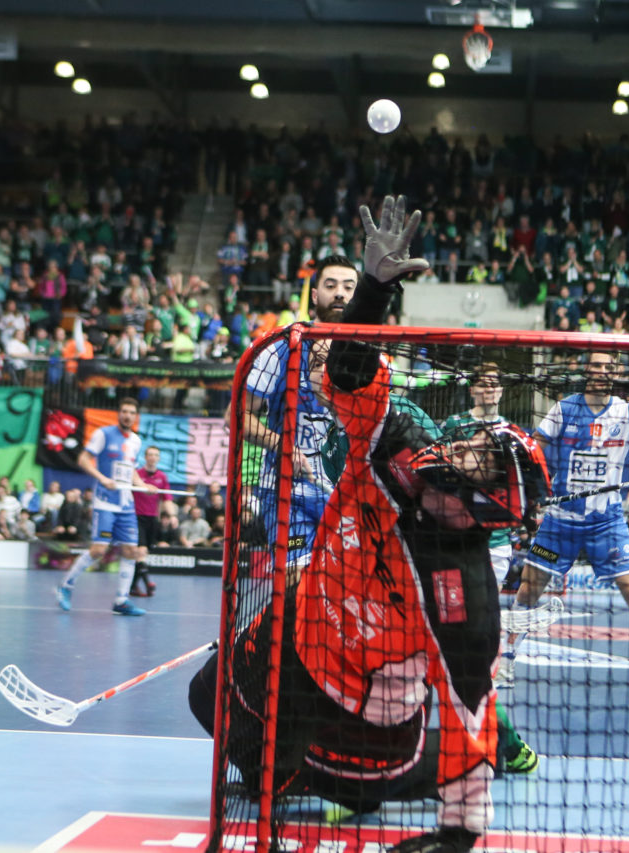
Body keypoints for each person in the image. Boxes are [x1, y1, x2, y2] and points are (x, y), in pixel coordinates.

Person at [189, 198, 550, 853]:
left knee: (379, 780)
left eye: (481, 460)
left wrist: (455, 839)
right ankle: (276, 764)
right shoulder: (402, 441)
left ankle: (355, 780)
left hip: (368, 715)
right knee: (207, 699)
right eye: (474, 441)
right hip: (299, 630)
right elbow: (351, 375)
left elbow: (469, 712)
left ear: (488, 504)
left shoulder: (465, 592)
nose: (462, 447)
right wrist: (375, 286)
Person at [505, 349, 629, 701]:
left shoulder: (627, 412)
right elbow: (533, 450)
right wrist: (532, 491)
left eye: (608, 367)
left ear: (616, 372)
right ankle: (506, 662)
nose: (602, 372)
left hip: (606, 522)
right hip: (560, 523)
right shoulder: (564, 409)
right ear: (586, 369)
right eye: (596, 365)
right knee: (529, 589)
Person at [242, 253, 359, 574]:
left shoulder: (369, 349)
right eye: (331, 285)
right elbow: (238, 417)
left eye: (349, 287)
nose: (340, 293)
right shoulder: (282, 345)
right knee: (298, 584)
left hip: (345, 494)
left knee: (345, 584)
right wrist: (284, 445)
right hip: (286, 490)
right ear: (315, 294)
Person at [55, 398, 152, 616]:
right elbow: (83, 459)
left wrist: (143, 485)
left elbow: (131, 471)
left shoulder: (136, 441)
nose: (127, 415)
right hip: (105, 501)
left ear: (135, 417)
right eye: (124, 411)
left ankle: (121, 600)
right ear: (119, 413)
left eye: (131, 412)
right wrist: (102, 478)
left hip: (126, 503)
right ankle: (66, 585)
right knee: (98, 550)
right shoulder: (104, 434)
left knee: (131, 551)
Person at [439, 363, 516, 595]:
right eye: (483, 385)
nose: (490, 390)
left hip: (497, 537)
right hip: (459, 531)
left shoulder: (509, 431)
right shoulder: (455, 424)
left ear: (501, 390)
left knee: (488, 601)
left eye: (495, 385)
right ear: (472, 390)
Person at [131, 446, 168, 597]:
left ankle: (133, 586)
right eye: (150, 455)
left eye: (156, 455)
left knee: (143, 555)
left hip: (153, 519)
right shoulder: (137, 475)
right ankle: (148, 583)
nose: (153, 457)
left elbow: (167, 499)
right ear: (146, 457)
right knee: (141, 551)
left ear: (158, 458)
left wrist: (172, 516)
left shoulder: (162, 477)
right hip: (136, 516)